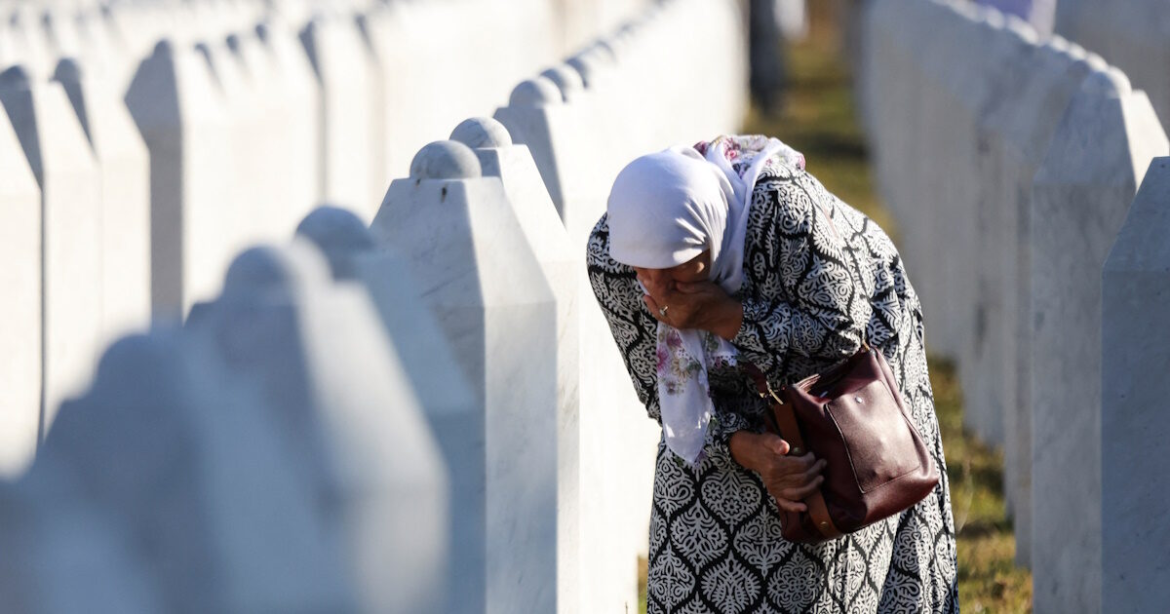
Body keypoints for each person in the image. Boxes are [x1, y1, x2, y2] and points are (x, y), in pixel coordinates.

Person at [587, 135, 958, 612]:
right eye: (647, 272)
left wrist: (727, 318)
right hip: (727, 371)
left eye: (679, 272)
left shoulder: (780, 211)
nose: (661, 293)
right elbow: (663, 391)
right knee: (694, 535)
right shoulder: (612, 259)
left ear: (709, 238)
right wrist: (749, 450)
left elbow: (839, 334)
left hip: (849, 354)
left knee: (826, 520)